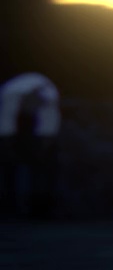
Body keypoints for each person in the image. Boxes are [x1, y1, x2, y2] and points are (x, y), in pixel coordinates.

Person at [0, 72, 60, 218]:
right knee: (12, 172)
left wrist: (43, 147)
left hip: (32, 142)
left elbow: (48, 131)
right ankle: (12, 206)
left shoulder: (45, 105)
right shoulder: (11, 102)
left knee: (39, 172)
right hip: (17, 140)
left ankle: (38, 207)